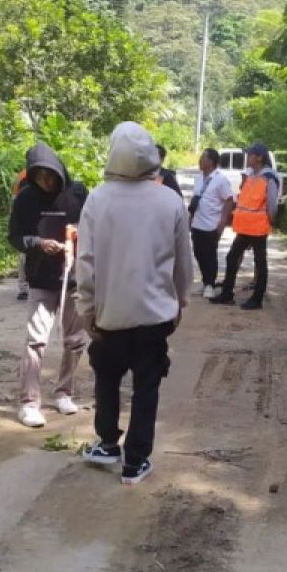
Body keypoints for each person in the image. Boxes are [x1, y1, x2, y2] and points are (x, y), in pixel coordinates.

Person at [77, 122, 193, 485]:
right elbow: (182, 261)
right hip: (154, 316)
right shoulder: (169, 200)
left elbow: (86, 262)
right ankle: (135, 462)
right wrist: (180, 302)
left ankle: (108, 443)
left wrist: (86, 308)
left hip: (109, 314)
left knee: (107, 379)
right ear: (150, 157)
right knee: (147, 387)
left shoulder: (97, 199)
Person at [7, 144, 90, 429]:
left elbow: (95, 227)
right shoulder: (26, 199)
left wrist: (79, 233)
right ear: (33, 176)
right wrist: (39, 244)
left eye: (50, 176)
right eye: (40, 176)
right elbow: (16, 237)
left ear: (58, 171)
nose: (47, 182)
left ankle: (65, 392)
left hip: (74, 278)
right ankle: (29, 403)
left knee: (75, 339)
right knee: (36, 340)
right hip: (41, 280)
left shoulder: (77, 194)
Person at [210, 143, 279, 310]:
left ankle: (257, 299)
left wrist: (269, 222)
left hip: (257, 228)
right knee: (232, 257)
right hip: (245, 228)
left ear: (260, 158)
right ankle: (227, 294)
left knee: (260, 263)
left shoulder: (269, 177)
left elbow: (272, 206)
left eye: (250, 155)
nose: (247, 158)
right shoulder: (251, 175)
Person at [188, 148, 235, 299]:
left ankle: (210, 284)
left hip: (212, 224)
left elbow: (229, 200)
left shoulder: (220, 180)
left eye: (203, 158)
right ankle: (205, 281)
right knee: (198, 253)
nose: (200, 160)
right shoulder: (199, 178)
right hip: (197, 223)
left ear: (211, 162)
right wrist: (190, 218)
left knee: (210, 254)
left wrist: (222, 222)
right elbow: (196, 200)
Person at [12, 168, 31, 301]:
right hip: (26, 212)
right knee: (25, 253)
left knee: (24, 253)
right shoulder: (25, 175)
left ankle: (24, 287)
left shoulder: (21, 175)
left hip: (25, 213)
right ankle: (24, 287)